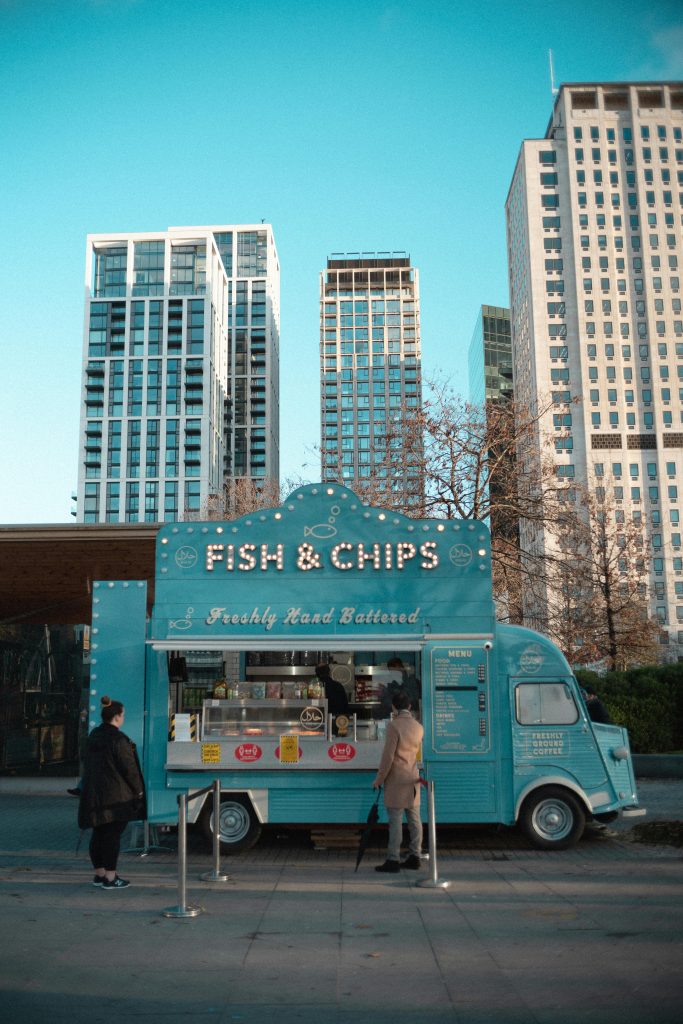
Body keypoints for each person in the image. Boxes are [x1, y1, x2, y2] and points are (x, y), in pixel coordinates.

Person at [78, 696, 146, 890]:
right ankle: (110, 877)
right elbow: (129, 770)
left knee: (98, 834)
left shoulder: (94, 735)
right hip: (116, 796)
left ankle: (99, 874)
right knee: (112, 836)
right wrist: (138, 791)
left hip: (95, 794)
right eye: (123, 714)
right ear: (116, 717)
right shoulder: (119, 740)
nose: (123, 717)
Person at [372, 691, 424, 873]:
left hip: (396, 779)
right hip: (413, 777)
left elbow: (388, 757)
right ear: (409, 706)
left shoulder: (394, 726)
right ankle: (415, 856)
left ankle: (393, 859)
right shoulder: (418, 727)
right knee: (414, 819)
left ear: (394, 707)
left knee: (395, 820)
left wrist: (379, 779)